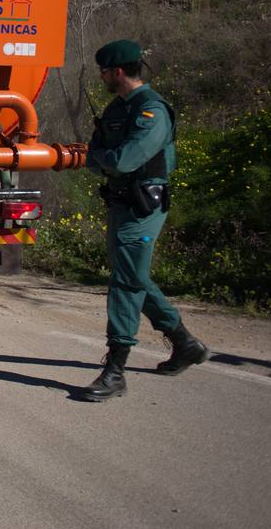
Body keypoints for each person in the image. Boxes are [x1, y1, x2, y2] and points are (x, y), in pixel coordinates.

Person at [81, 39, 208, 402]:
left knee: (125, 282)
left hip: (143, 207)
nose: (101, 77)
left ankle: (115, 370)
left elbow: (123, 159)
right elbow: (97, 158)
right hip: (121, 204)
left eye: (104, 71)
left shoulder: (151, 111)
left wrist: (104, 157)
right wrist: (105, 157)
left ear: (118, 71)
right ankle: (184, 343)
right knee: (131, 274)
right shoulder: (116, 109)